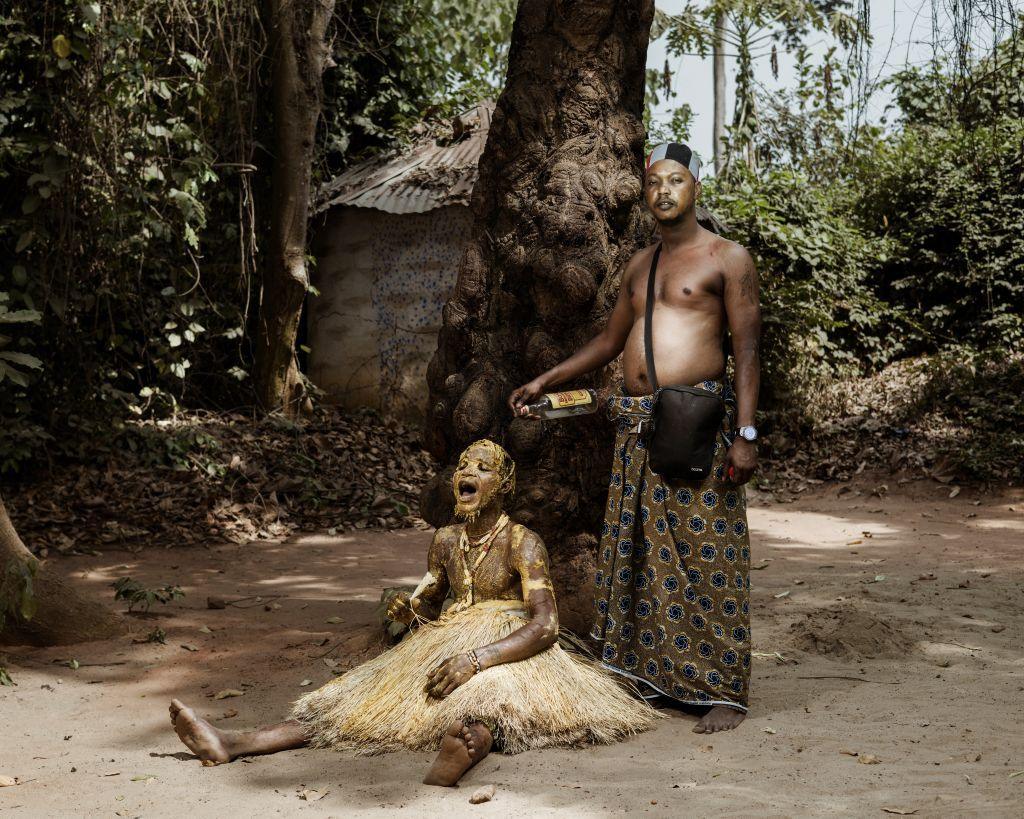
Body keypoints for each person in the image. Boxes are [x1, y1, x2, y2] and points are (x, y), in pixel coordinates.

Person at [168, 439, 655, 784]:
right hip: (445, 637)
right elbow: (426, 601)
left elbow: (545, 624)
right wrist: (406, 610)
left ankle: (463, 751)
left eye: (482, 467)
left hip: (504, 648)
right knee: (353, 704)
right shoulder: (445, 540)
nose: (467, 472)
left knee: (492, 702)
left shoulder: (522, 542)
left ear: (504, 485)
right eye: (463, 465)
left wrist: (478, 659)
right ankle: (235, 743)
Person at [509, 141, 760, 734]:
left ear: (695, 188)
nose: (664, 191)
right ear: (645, 196)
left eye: (676, 181)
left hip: (698, 422)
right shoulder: (640, 265)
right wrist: (547, 378)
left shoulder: (727, 258)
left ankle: (722, 688)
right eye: (654, 183)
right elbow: (608, 341)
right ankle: (653, 678)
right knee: (640, 553)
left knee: (708, 555)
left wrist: (746, 433)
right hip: (636, 426)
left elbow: (747, 348)